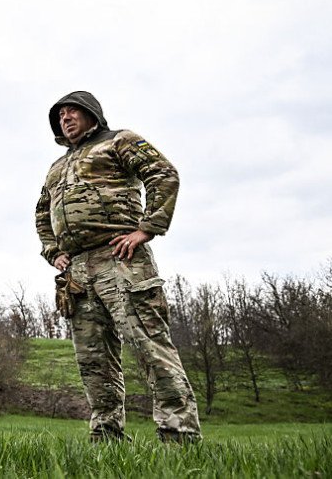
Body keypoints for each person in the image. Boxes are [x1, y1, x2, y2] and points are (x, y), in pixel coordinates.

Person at [35, 91, 201, 443]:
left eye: (73, 112)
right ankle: (106, 438)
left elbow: (163, 174)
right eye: (60, 115)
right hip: (77, 274)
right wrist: (53, 252)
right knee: (94, 362)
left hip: (121, 260)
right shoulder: (56, 167)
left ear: (92, 115)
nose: (65, 118)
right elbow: (41, 213)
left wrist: (147, 228)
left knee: (149, 347)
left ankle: (180, 436)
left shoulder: (118, 141)